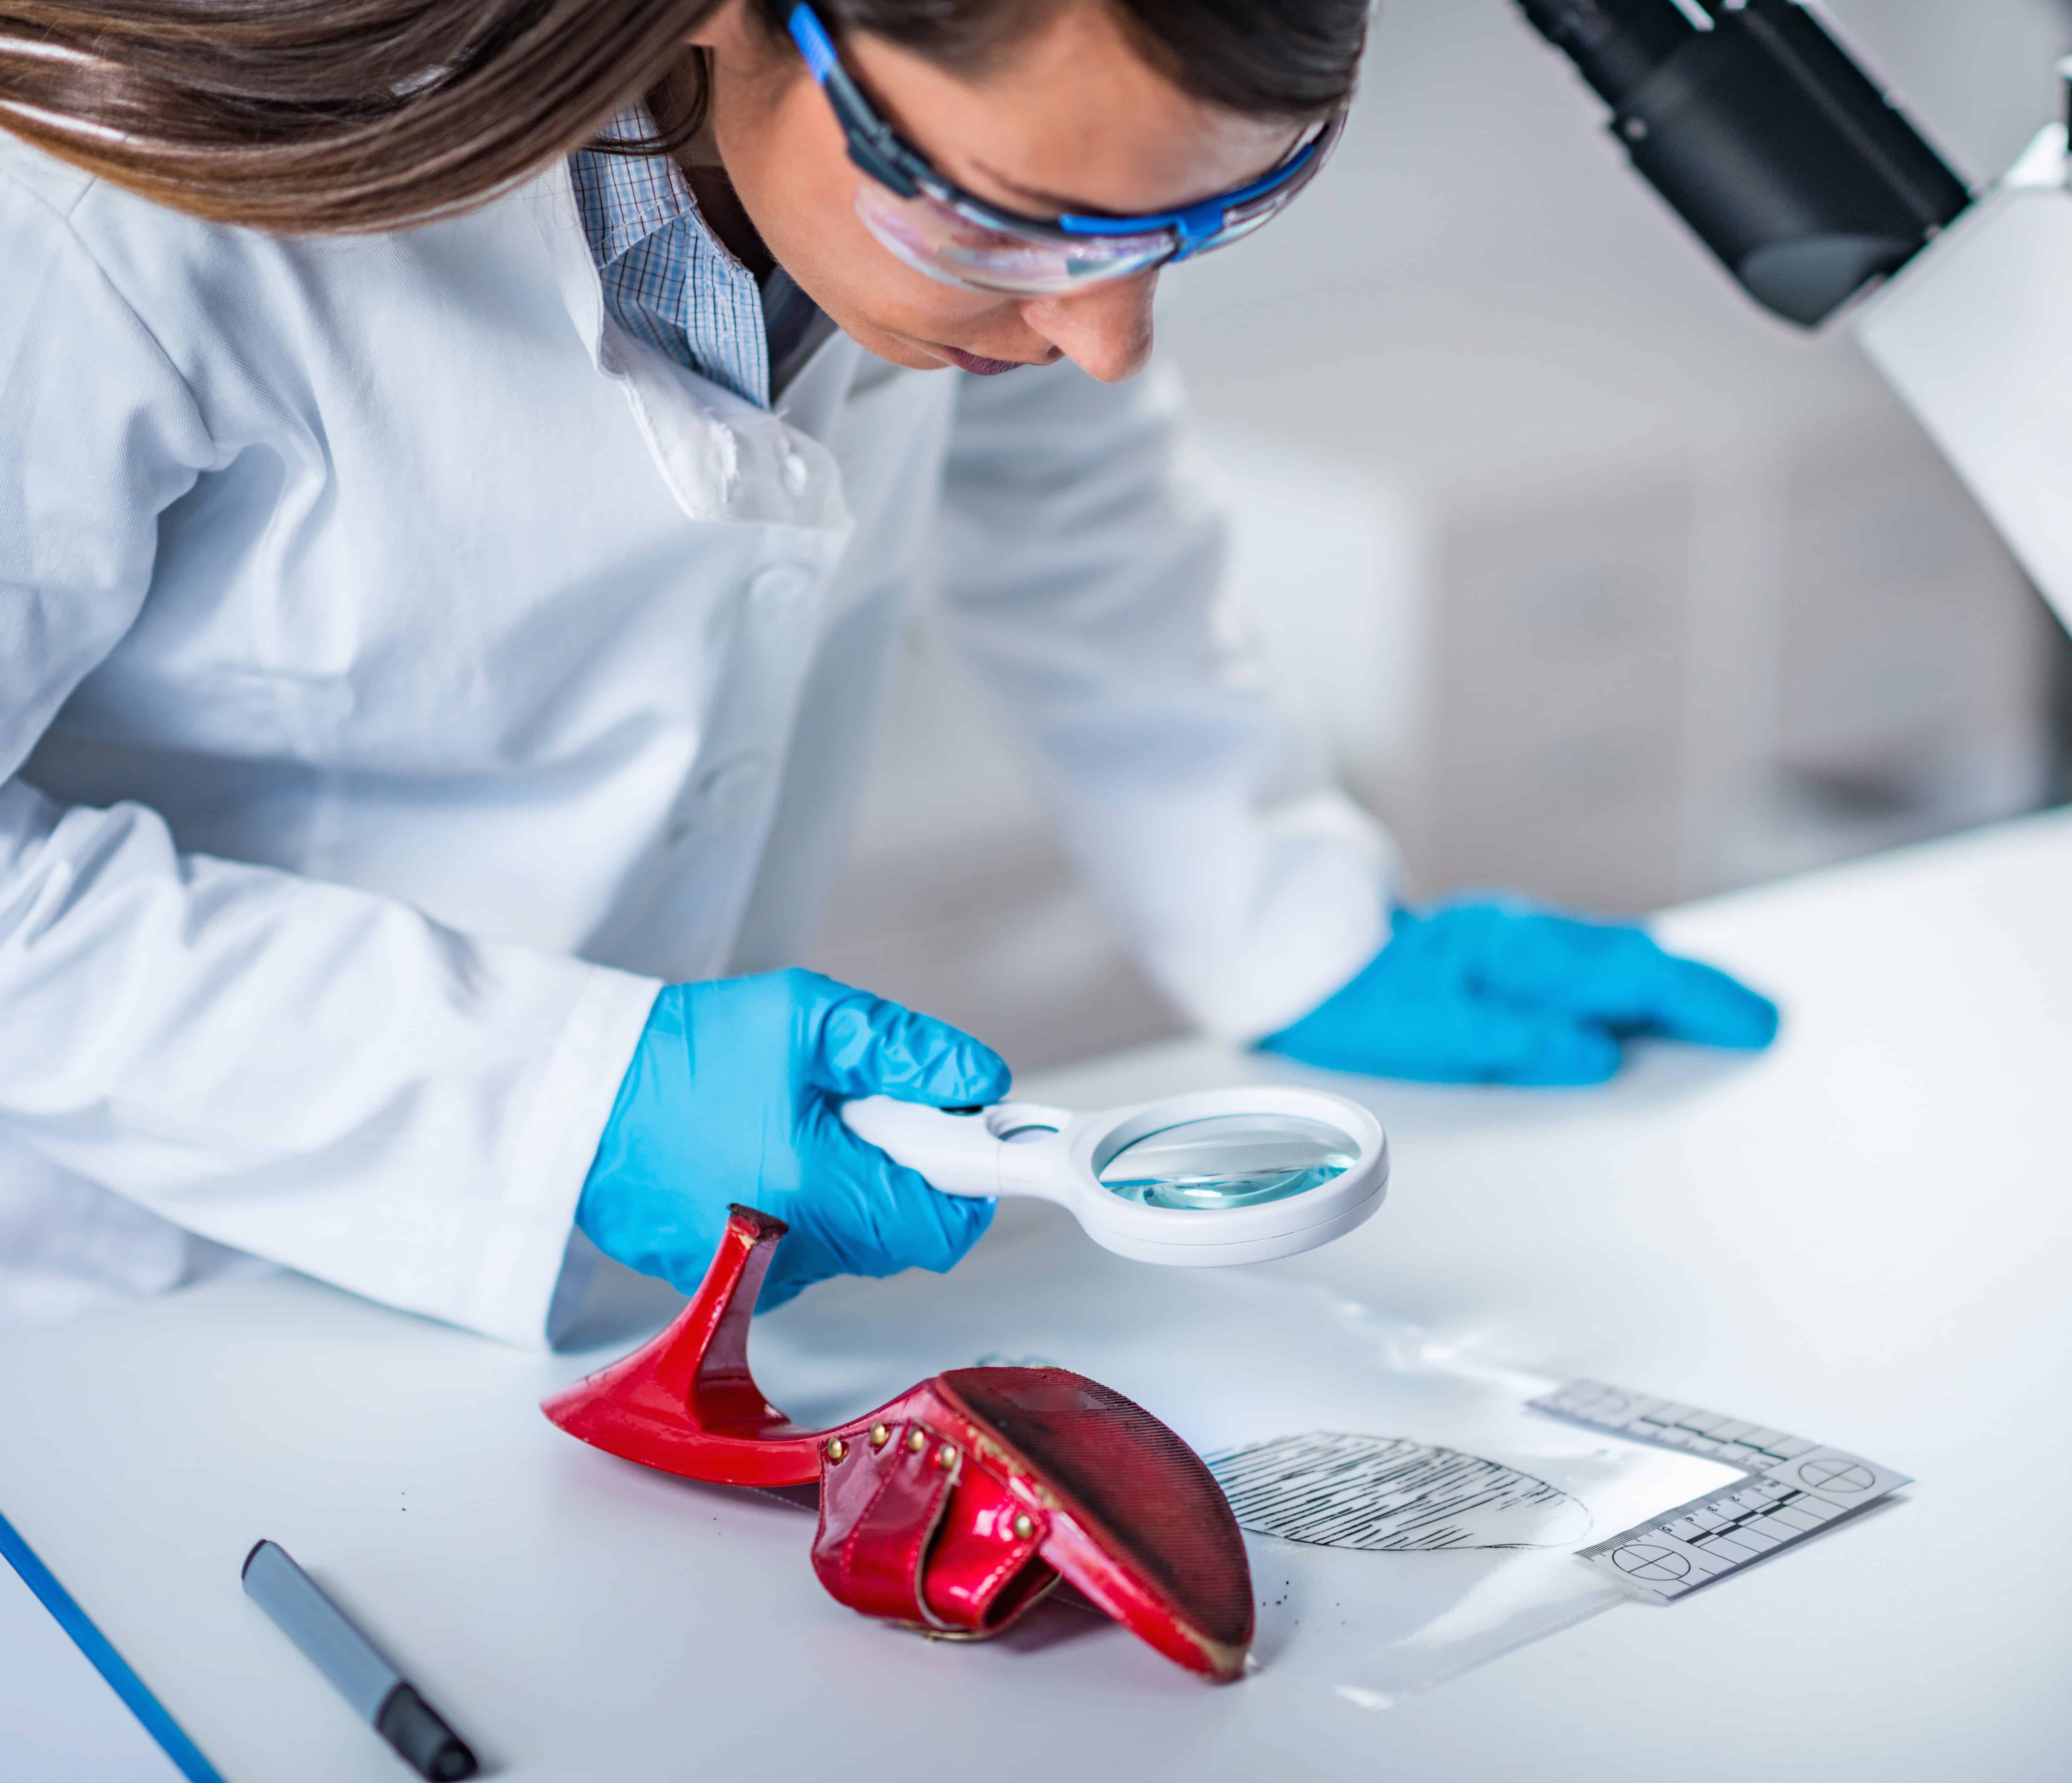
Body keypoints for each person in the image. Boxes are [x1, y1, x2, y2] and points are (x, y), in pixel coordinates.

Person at [0, 0, 1778, 1341]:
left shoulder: (991, 236)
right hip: (126, 1292)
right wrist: (552, 1090)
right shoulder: (93, 212)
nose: (1101, 334)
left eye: (1196, 222)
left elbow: (1063, 482)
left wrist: (1287, 916)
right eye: (1014, 226)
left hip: (618, 1315)